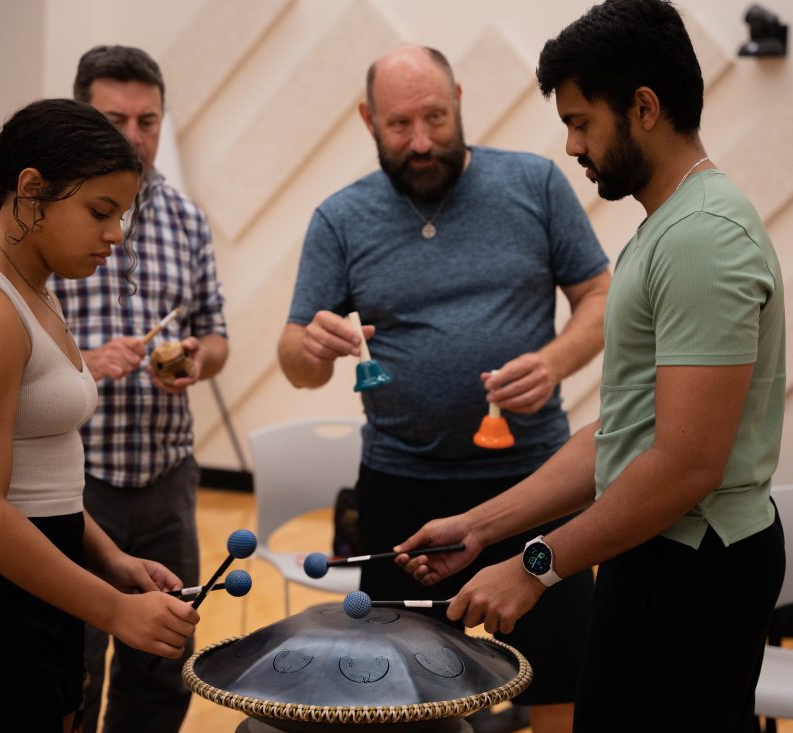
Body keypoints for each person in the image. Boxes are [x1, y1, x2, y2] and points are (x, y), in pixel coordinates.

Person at [397, 2, 787, 731]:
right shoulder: (666, 226)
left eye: (581, 121)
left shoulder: (704, 237)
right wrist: (482, 528)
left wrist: (536, 566)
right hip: (657, 553)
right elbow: (625, 436)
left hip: (696, 568)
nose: (571, 145)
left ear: (644, 107)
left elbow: (684, 464)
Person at [278, 45, 611, 733]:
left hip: (535, 480)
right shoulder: (340, 219)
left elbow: (600, 296)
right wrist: (310, 350)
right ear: (368, 119)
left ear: (460, 99)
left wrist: (553, 361)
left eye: (435, 116)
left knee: (561, 678)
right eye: (399, 125)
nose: (422, 140)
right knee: (399, 692)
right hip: (402, 487)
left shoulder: (537, 184)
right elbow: (295, 360)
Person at [0, 98, 200, 733]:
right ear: (30, 191)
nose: (116, 234)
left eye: (123, 215)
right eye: (100, 212)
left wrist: (110, 559)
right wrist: (113, 610)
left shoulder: (32, 289)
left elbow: (37, 478)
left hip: (32, 566)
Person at [0, 46, 228, 733]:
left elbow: (218, 333)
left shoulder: (185, 217)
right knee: (67, 665)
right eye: (116, 119)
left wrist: (198, 356)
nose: (135, 136)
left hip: (166, 475)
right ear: (80, 116)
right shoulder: (10, 231)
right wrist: (90, 360)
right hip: (66, 485)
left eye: (148, 119)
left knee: (163, 662)